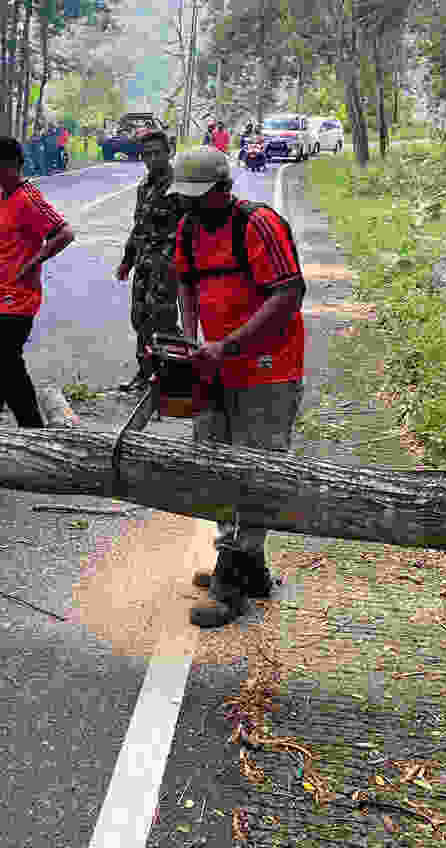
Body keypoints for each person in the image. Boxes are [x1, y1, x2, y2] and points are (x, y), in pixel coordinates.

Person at [170, 146, 307, 629]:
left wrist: (229, 345)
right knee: (214, 464)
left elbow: (289, 294)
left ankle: (232, 575)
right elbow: (186, 284)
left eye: (197, 196)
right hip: (216, 366)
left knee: (258, 467)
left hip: (268, 368)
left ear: (223, 189)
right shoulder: (188, 228)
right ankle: (249, 566)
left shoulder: (258, 224)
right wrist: (191, 340)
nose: (188, 205)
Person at [0, 134, 75, 493]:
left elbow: (64, 232)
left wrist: (34, 261)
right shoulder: (3, 197)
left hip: (16, 301)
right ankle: (33, 442)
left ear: (9, 165)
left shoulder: (28, 197)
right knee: (4, 373)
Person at [114, 129, 185, 390]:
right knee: (140, 317)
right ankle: (145, 372)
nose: (152, 159)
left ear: (169, 153)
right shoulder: (144, 186)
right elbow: (139, 226)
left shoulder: (180, 186)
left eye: (157, 153)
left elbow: (189, 229)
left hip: (167, 262)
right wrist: (127, 260)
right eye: (147, 154)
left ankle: (175, 372)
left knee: (162, 319)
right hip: (144, 260)